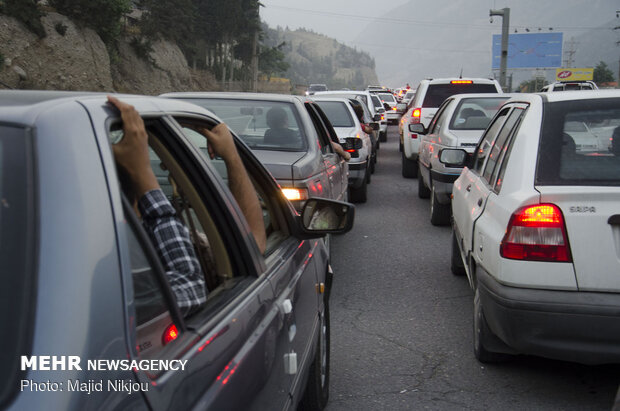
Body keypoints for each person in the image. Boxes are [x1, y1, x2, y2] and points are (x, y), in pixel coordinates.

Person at [108, 96, 266, 316]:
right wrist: (232, 157)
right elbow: (253, 246)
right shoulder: (155, 262)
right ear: (136, 201)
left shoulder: (84, 267)